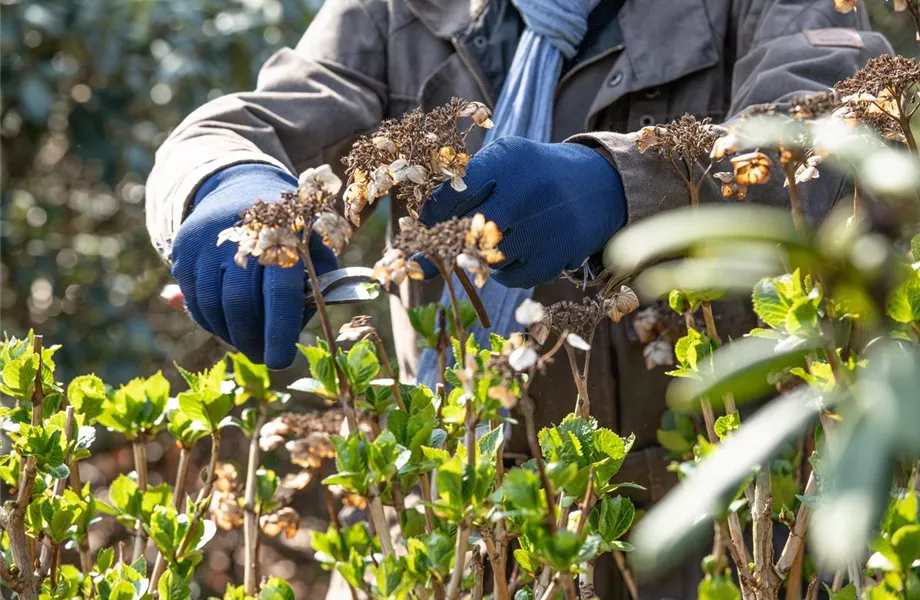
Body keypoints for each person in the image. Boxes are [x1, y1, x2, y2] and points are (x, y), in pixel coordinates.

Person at [146, 1, 891, 597]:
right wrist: (225, 186)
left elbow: (843, 143)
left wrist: (624, 185)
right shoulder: (399, 13)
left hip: (716, 538)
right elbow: (238, 126)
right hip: (448, 523)